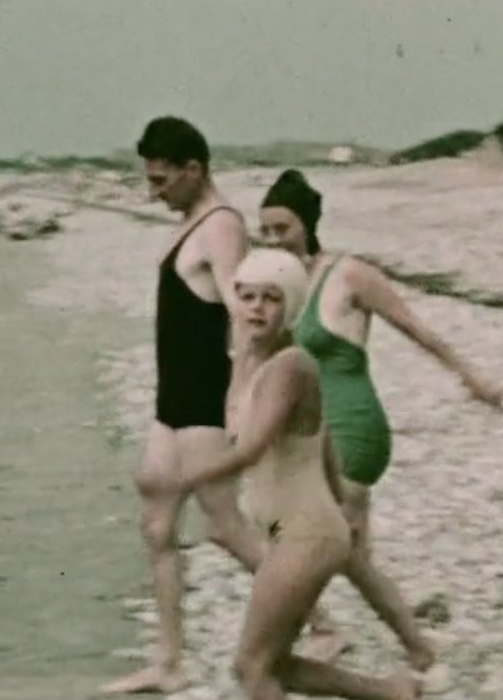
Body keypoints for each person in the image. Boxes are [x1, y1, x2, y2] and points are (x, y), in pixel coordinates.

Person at [101, 118, 336, 695]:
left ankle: (323, 623)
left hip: (205, 394)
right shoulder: (190, 223)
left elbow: (248, 314)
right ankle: (169, 661)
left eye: (161, 179)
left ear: (193, 170)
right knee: (156, 520)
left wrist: (240, 396)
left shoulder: (221, 225)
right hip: (172, 398)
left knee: (225, 525)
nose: (153, 191)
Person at [258, 169, 503, 672]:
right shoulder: (278, 285)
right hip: (311, 432)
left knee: (325, 538)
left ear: (307, 224)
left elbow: (416, 328)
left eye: (281, 229)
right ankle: (403, 639)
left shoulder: (349, 274)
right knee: (347, 548)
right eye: (265, 231)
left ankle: (336, 632)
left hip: (354, 422)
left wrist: (471, 377)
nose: (273, 240)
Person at [182, 247, 421, 699]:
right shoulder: (248, 362)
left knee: (251, 668)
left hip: (305, 535)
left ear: (290, 305)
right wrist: (340, 503)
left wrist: (180, 479)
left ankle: (407, 669)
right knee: (274, 664)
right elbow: (324, 438)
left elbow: (252, 448)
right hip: (296, 531)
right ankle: (391, 691)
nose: (256, 307)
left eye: (271, 298)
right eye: (248, 296)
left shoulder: (292, 364)